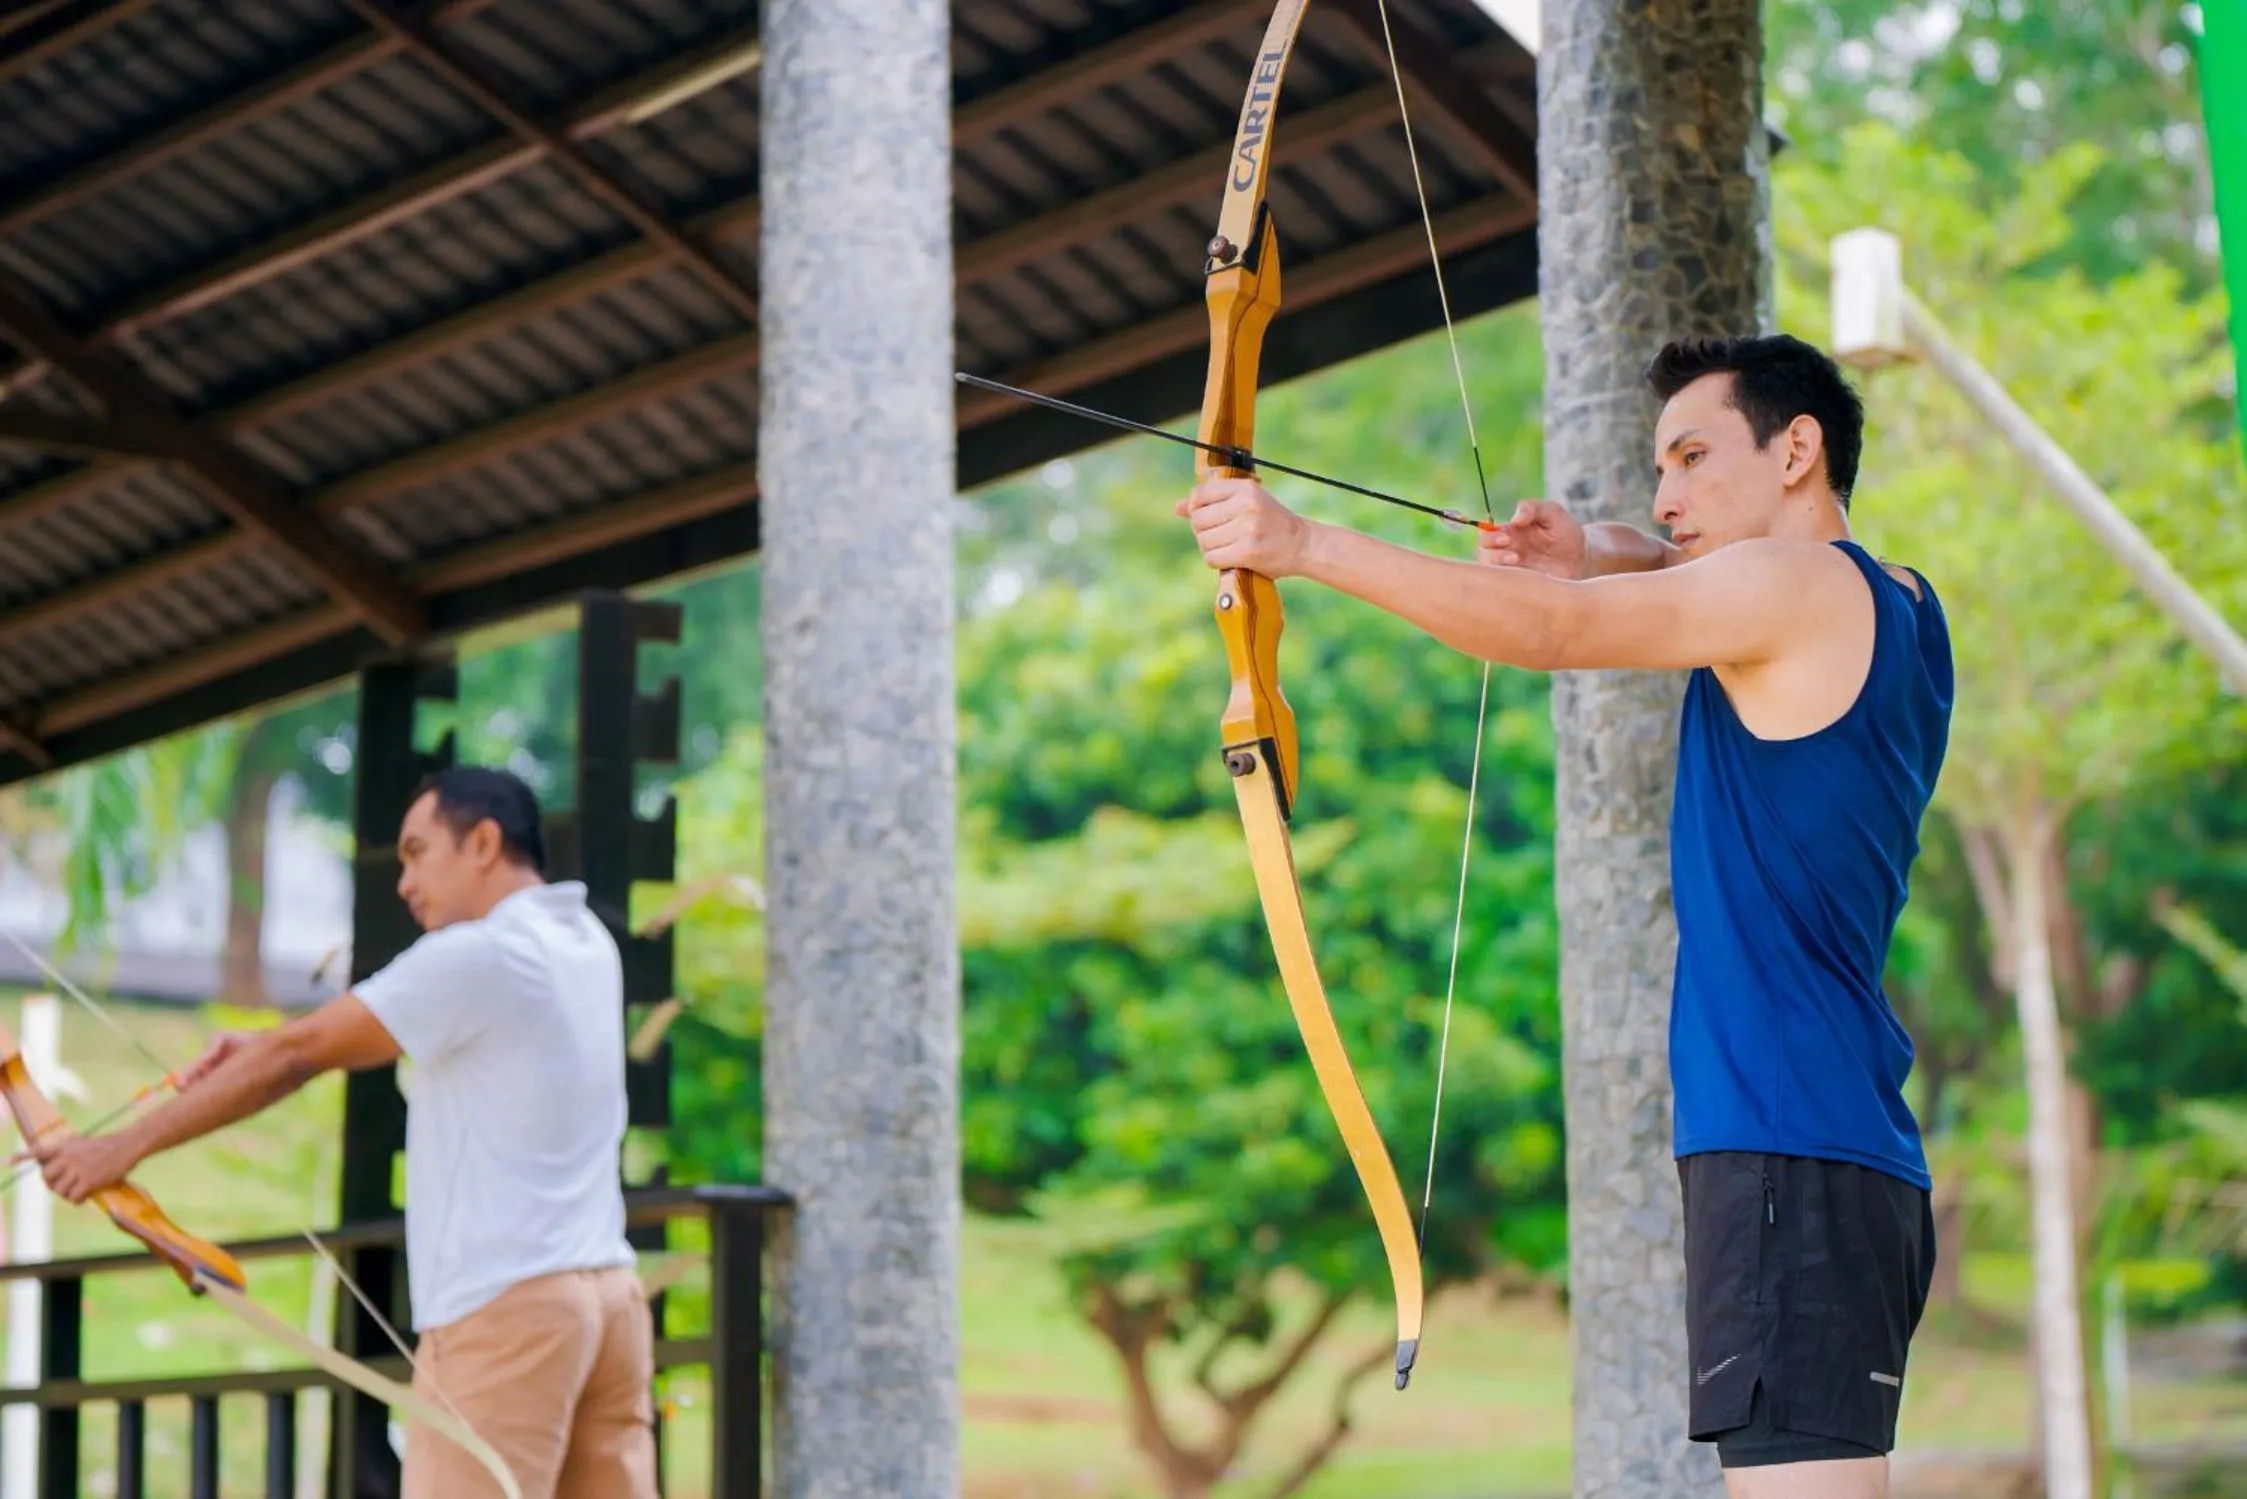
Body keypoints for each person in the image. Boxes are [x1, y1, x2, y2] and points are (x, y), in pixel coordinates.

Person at [1178, 333, 1950, 1498]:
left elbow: (1547, 633)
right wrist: (1594, 551)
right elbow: (1676, 569)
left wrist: (1297, 543)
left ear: (1798, 449)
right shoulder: (1899, 602)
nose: (1666, 495)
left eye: (1693, 457)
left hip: (1787, 1143)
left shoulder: (1784, 588)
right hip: (1840, 1143)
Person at [33, 765, 654, 1499]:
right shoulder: (582, 941)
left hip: (508, 1310)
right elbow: (318, 1038)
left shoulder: (483, 953)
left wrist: (114, 1149)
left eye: (419, 851)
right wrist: (267, 1044)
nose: (404, 881)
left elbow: (297, 1057)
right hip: (609, 1300)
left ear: (483, 841)